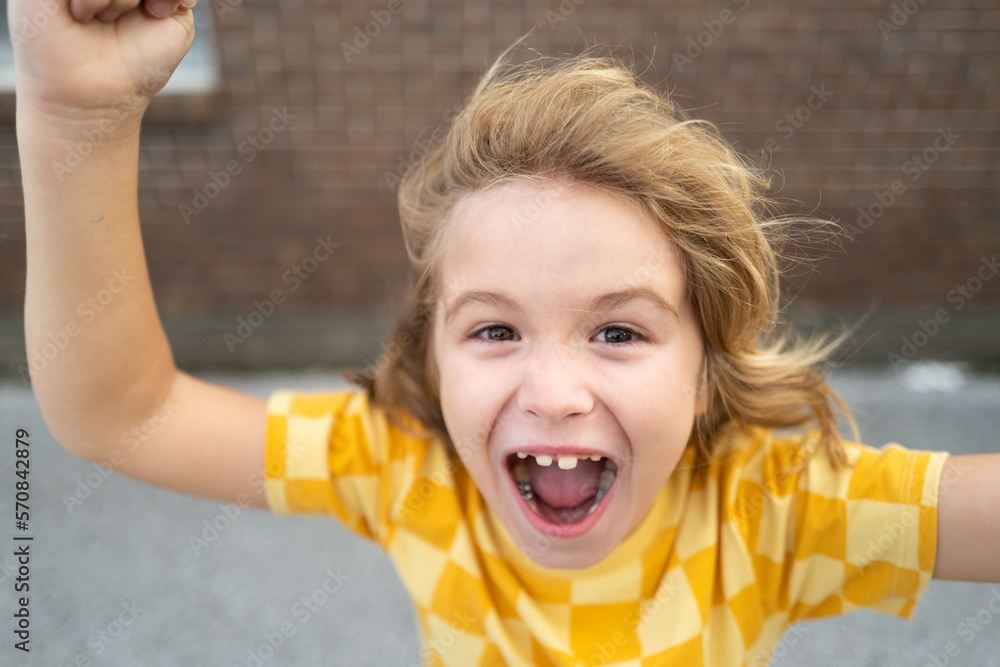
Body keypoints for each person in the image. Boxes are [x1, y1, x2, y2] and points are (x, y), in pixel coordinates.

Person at [12, 0, 999, 664]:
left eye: (617, 332)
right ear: (431, 360)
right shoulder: (401, 463)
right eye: (493, 331)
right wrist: (75, 110)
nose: (555, 390)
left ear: (706, 373)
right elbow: (124, 414)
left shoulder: (780, 508)